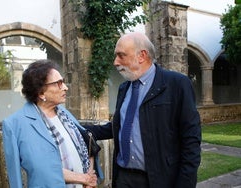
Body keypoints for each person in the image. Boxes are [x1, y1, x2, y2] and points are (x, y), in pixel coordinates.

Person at [84, 32, 202, 188]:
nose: (115, 62)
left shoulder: (176, 84)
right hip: (123, 178)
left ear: (142, 56)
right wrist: (78, 129)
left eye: (121, 55)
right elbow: (120, 127)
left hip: (160, 180)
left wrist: (185, 183)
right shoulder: (124, 88)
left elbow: (191, 140)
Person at [2, 59, 101, 188]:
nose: (65, 87)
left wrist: (89, 177)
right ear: (41, 92)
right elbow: (42, 168)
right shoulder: (15, 124)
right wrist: (83, 179)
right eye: (58, 83)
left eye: (63, 82)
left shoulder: (64, 113)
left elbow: (86, 143)